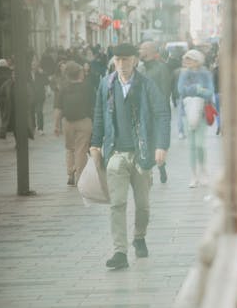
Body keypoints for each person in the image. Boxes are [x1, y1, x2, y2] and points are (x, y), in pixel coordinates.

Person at [90, 43, 171, 269]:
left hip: (142, 153)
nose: (122, 65)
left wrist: (161, 145)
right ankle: (120, 252)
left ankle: (139, 236)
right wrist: (95, 144)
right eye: (118, 60)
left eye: (126, 60)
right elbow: (98, 116)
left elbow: (163, 113)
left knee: (143, 205)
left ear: (135, 60)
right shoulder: (106, 85)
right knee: (117, 203)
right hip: (116, 153)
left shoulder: (146, 85)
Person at [177, 49, 214, 188]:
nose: (187, 62)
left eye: (190, 59)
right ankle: (194, 175)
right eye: (186, 60)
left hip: (202, 113)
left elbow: (210, 92)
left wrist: (193, 90)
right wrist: (198, 89)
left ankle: (203, 170)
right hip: (187, 113)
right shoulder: (183, 73)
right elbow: (180, 90)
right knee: (191, 146)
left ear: (197, 60)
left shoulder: (205, 73)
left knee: (199, 145)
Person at [54, 61, 94, 186]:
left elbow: (58, 108)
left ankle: (70, 173)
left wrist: (56, 125)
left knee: (70, 149)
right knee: (81, 150)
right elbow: (95, 105)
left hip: (68, 123)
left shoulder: (63, 88)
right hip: (84, 122)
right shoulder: (87, 87)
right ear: (79, 73)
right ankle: (80, 177)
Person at [138, 41, 172, 184]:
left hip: (158, 113)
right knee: (146, 142)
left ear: (152, 51)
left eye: (144, 48)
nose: (140, 51)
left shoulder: (161, 68)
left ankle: (161, 165)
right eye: (140, 48)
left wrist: (162, 111)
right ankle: (149, 172)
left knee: (157, 141)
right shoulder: (140, 69)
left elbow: (165, 91)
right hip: (143, 113)